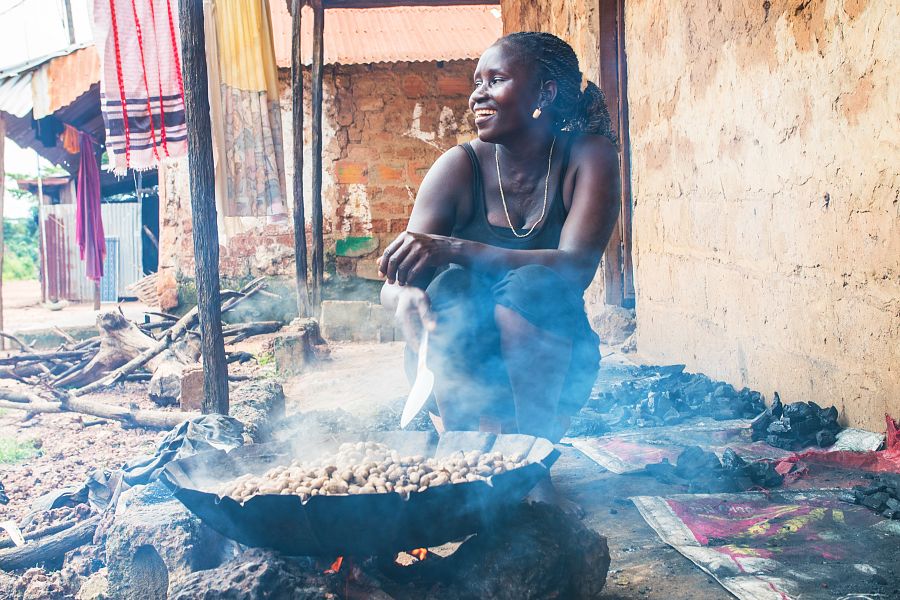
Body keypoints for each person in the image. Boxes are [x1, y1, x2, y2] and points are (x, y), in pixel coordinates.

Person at [379, 32, 620, 486]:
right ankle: (463, 460)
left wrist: (458, 248)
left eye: (496, 80)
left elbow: (576, 266)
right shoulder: (458, 167)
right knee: (449, 287)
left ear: (544, 93)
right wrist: (402, 298)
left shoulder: (588, 156)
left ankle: (532, 462)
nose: (478, 95)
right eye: (477, 82)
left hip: (551, 364)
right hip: (456, 364)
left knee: (534, 283)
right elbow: (395, 283)